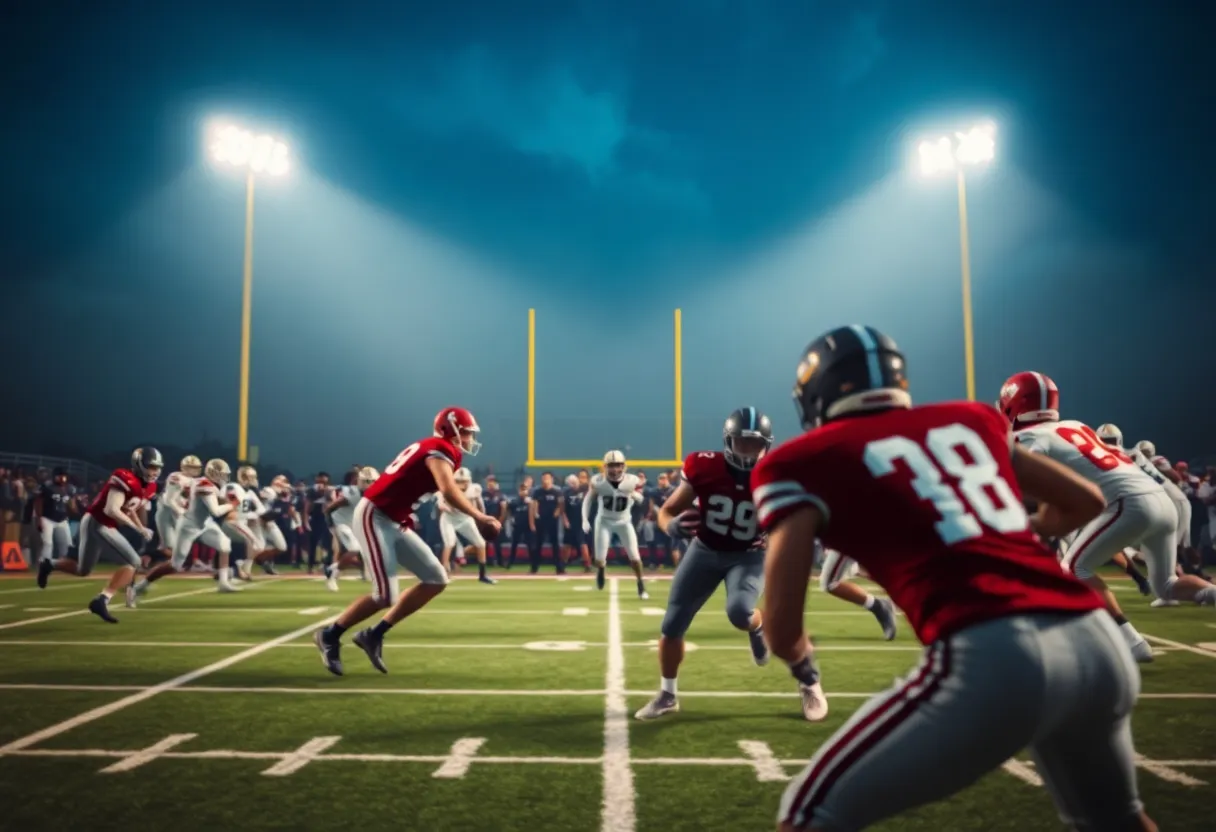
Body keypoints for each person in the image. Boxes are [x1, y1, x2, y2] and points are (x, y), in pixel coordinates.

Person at [753, 325, 1151, 832]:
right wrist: (1004, 529)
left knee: (808, 814)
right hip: (1098, 646)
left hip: (995, 652)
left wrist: (800, 660)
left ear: (817, 393)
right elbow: (1084, 502)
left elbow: (782, 629)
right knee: (1116, 821)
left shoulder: (800, 461)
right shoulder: (971, 419)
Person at [1003, 374, 1214, 664]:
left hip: (1129, 503)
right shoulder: (1076, 425)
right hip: (1161, 501)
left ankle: (1131, 643)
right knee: (1166, 585)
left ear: (1013, 403)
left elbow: (1028, 480)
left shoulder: (1029, 436)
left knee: (1074, 568)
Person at [637, 407, 817, 721]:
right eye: (741, 443)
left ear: (766, 446)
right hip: (704, 550)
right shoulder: (704, 467)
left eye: (754, 445)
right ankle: (668, 694)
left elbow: (789, 525)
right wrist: (671, 526)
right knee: (671, 625)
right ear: (727, 442)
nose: (747, 452)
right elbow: (666, 512)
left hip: (748, 555)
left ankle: (795, 667)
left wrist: (779, 547)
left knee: (739, 611)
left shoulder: (775, 475)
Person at [313, 407, 501, 676]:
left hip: (394, 520)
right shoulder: (440, 447)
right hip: (375, 515)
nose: (471, 439)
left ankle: (373, 634)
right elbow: (448, 490)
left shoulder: (437, 448)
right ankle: (330, 635)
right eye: (468, 432)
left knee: (436, 578)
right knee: (385, 595)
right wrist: (480, 517)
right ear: (452, 429)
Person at [39, 448, 162, 623]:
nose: (154, 471)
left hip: (101, 523)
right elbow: (111, 509)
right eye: (151, 466)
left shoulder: (149, 487)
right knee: (133, 561)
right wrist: (137, 529)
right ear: (139, 464)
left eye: (157, 467)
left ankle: (49, 564)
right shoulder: (124, 477)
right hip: (98, 521)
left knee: (83, 570)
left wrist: (141, 526)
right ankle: (102, 599)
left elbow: (130, 508)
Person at [582, 451, 648, 597]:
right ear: (605, 467)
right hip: (604, 521)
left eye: (617, 466)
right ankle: (601, 569)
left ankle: (640, 584)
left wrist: (634, 495)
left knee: (635, 557)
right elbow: (588, 500)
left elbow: (642, 499)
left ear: (623, 467)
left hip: (624, 522)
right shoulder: (598, 481)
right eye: (611, 466)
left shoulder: (632, 480)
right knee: (599, 559)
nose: (614, 470)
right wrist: (584, 519)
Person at [529, 471, 563, 573]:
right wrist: (534, 519)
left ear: (551, 479)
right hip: (540, 520)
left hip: (552, 520)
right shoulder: (537, 492)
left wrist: (557, 513)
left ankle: (559, 568)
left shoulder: (557, 491)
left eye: (547, 478)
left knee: (555, 544)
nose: (545, 480)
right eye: (543, 478)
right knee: (538, 544)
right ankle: (534, 567)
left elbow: (561, 504)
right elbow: (533, 505)